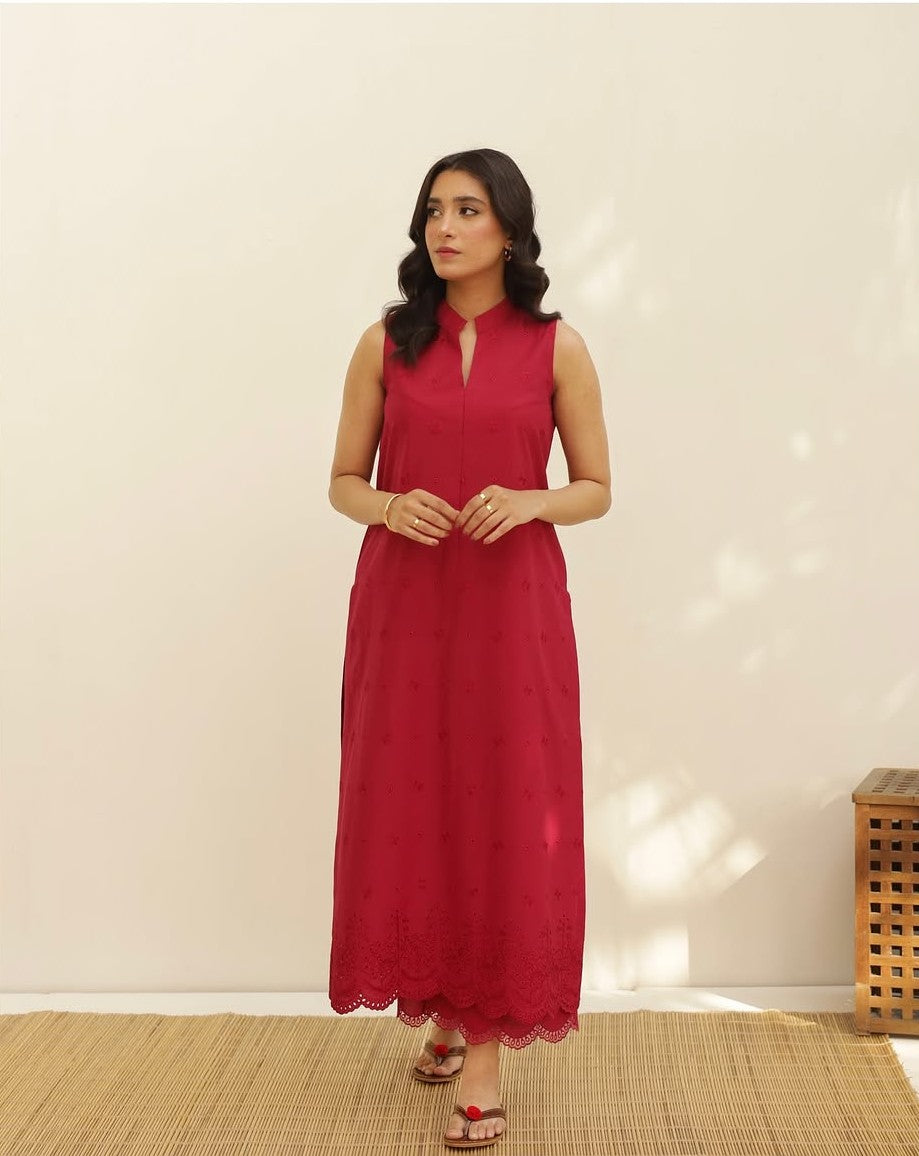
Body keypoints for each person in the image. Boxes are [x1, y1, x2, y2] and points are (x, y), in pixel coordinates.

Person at [328, 147, 611, 1149]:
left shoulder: (558, 348)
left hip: (513, 611)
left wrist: (531, 501)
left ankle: (481, 1050)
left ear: (510, 230)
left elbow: (596, 487)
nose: (443, 229)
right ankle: (445, 1007)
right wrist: (386, 504)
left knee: (503, 809)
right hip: (404, 607)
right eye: (432, 211)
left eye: (467, 210)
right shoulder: (383, 344)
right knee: (414, 805)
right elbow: (342, 481)